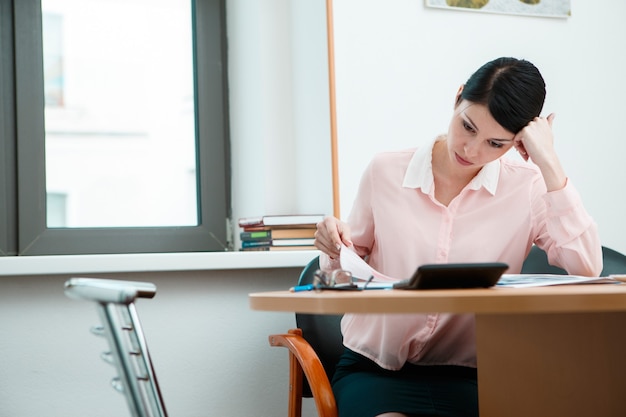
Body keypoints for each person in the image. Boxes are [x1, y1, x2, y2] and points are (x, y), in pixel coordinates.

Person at [314, 57, 602, 417]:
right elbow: (341, 269)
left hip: (476, 378)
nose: (471, 150)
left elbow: (588, 267)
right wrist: (332, 246)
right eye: (467, 126)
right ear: (457, 98)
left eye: (495, 143)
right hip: (376, 371)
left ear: (518, 142)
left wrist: (549, 163)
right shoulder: (385, 171)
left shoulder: (527, 186)